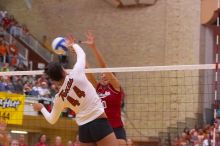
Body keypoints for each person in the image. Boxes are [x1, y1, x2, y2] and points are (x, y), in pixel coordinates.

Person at [32, 35, 118, 146]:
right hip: (98, 121)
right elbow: (82, 54)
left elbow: (52, 120)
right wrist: (72, 44)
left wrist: (42, 108)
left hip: (83, 129)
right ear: (63, 69)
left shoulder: (59, 98)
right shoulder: (76, 73)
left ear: (53, 80)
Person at [82, 32, 127, 146]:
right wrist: (79, 54)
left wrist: (93, 47)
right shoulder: (98, 88)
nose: (103, 75)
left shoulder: (115, 87)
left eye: (106, 74)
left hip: (116, 128)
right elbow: (86, 71)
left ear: (112, 76)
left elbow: (103, 66)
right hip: (101, 129)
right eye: (101, 74)